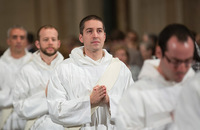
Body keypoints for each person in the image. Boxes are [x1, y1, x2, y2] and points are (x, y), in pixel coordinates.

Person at [47, 15, 134, 129]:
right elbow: (55, 110)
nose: (95, 35)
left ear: (104, 36)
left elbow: (133, 107)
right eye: (89, 31)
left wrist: (109, 101)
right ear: (81, 37)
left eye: (99, 31)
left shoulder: (120, 68)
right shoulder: (63, 69)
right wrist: (89, 102)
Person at [116, 23, 196, 130]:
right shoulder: (136, 94)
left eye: (187, 61)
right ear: (159, 52)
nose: (182, 68)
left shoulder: (195, 87)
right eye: (176, 61)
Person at [13, 25, 64, 130]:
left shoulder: (67, 68)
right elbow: (19, 107)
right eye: (45, 39)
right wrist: (45, 95)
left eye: (53, 39)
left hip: (65, 121)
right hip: (37, 123)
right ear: (37, 44)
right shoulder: (26, 70)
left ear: (58, 43)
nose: (50, 42)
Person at [0, 25, 32, 130]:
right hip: (6, 114)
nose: (18, 41)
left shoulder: (35, 62)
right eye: (14, 37)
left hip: (31, 114)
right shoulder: (1, 63)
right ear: (8, 41)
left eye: (22, 37)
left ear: (26, 41)